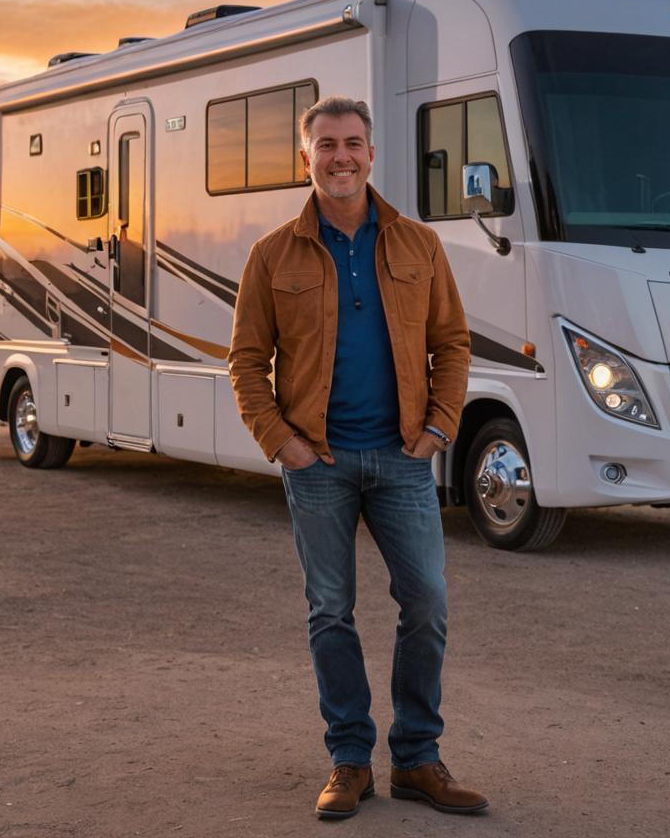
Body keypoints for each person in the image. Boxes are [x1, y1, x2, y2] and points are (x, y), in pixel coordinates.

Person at [228, 95, 488, 820]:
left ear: (372, 155)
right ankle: (349, 760)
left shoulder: (417, 244)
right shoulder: (272, 254)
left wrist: (439, 426)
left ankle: (416, 759)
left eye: (353, 143)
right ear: (304, 157)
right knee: (330, 612)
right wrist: (283, 443)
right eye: (326, 144)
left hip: (402, 458)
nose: (340, 156)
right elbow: (246, 361)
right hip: (320, 465)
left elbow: (454, 343)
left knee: (427, 603)